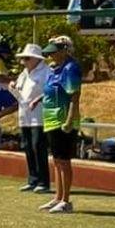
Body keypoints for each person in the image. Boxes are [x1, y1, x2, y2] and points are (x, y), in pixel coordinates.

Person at [39, 32, 83, 213]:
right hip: (51, 119)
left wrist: (68, 120)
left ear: (65, 50)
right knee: (56, 160)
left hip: (62, 119)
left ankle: (66, 201)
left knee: (64, 161)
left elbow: (74, 96)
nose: (50, 56)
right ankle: (57, 197)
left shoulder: (71, 68)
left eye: (54, 52)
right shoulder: (54, 68)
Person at [13, 43, 52, 192]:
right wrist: (12, 87)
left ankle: (44, 182)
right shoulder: (23, 74)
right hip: (24, 115)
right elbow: (19, 91)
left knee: (38, 146)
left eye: (27, 58)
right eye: (23, 58)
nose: (24, 61)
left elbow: (50, 89)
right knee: (28, 147)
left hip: (39, 115)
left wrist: (38, 99)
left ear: (36, 59)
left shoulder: (46, 72)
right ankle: (33, 179)